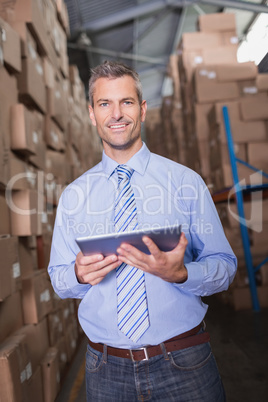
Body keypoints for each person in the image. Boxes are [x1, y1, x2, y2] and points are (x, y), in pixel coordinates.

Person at [48, 60, 237, 401]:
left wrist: (181, 273)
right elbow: (59, 280)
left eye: (127, 102)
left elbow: (224, 267)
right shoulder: (74, 196)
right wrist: (77, 273)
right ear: (92, 114)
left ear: (143, 109)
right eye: (105, 104)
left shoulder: (185, 182)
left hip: (184, 361)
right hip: (105, 370)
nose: (116, 114)